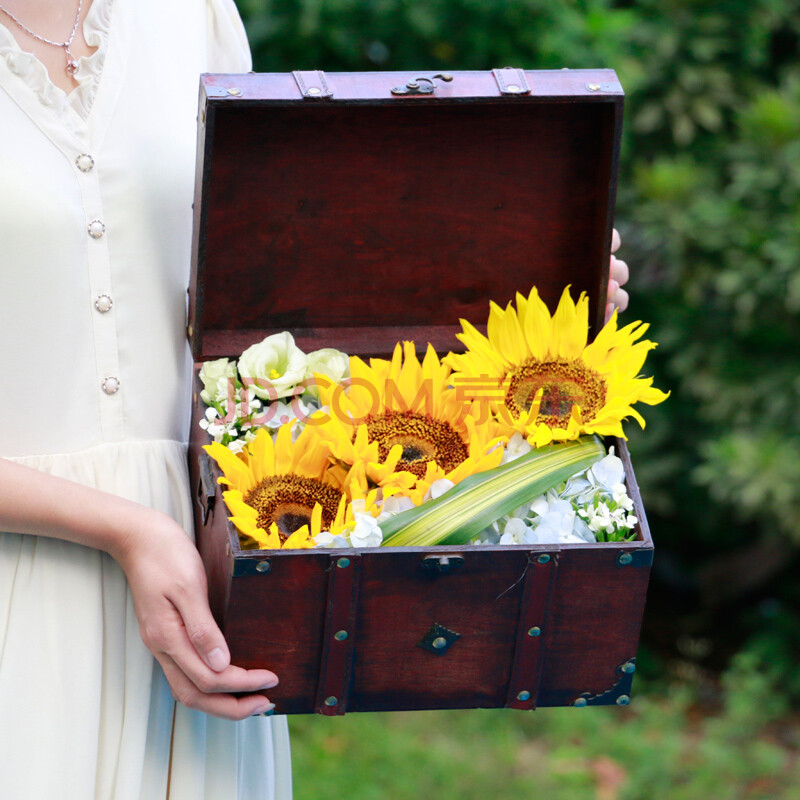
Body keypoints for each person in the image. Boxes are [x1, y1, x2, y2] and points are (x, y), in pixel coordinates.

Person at [0, 1, 631, 795]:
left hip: (207, 571)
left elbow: (268, 294)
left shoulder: (192, 16)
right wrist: (129, 531)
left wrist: (527, 296)